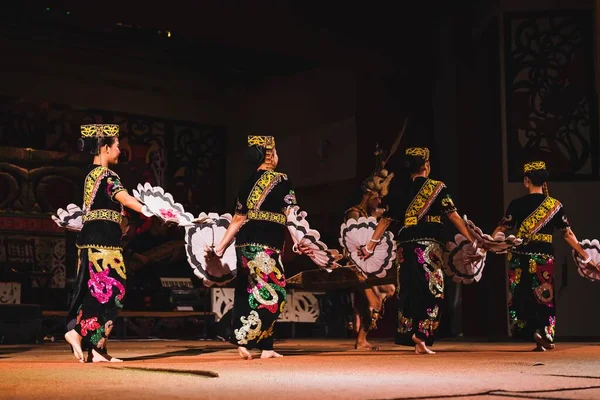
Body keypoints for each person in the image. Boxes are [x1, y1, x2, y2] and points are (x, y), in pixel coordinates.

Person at [361, 147, 480, 354]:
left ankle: (416, 340)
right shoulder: (437, 187)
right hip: (427, 247)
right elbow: (453, 216)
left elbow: (386, 221)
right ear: (426, 165)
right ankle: (422, 334)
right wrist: (473, 240)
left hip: (404, 249)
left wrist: (370, 246)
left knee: (410, 292)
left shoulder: (399, 190)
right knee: (434, 291)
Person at [209, 135, 310, 360]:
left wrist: (221, 248)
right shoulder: (282, 179)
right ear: (271, 154)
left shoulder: (246, 182)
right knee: (277, 292)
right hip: (267, 243)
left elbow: (237, 218)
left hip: (244, 243)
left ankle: (265, 346)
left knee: (247, 292)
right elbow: (290, 213)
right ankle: (240, 336)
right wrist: (298, 241)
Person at [490, 161, 595, 351]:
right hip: (543, 257)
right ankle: (544, 332)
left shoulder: (517, 204)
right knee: (544, 295)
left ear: (526, 180)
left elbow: (501, 229)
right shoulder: (554, 205)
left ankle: (530, 331)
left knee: (521, 295)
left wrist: (487, 244)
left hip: (519, 257)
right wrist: (585, 256)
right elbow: (568, 234)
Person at [63, 124, 145, 363]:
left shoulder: (91, 174)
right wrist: (154, 211)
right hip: (103, 242)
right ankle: (77, 332)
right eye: (118, 146)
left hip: (94, 238)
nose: (120, 151)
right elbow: (125, 198)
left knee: (99, 292)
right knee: (113, 291)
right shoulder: (107, 175)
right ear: (106, 148)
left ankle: (97, 349)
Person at [343, 154, 396, 350]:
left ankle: (362, 329)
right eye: (378, 198)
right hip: (356, 265)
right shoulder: (354, 213)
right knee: (374, 302)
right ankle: (361, 338)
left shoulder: (372, 214)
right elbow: (352, 243)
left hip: (369, 263)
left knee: (388, 291)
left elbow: (387, 216)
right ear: (369, 195)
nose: (380, 202)